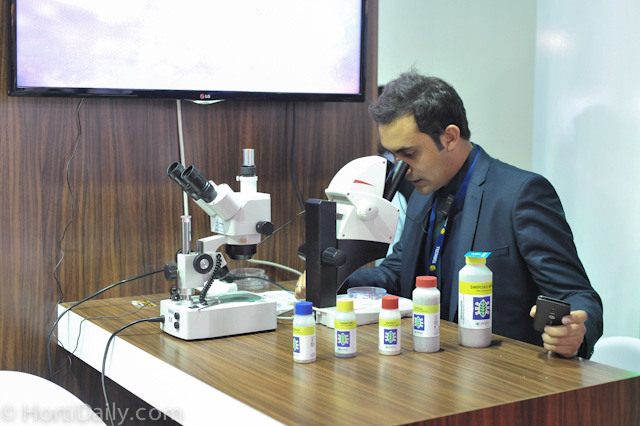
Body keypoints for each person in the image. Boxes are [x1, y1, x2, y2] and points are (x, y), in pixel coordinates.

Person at [297, 69, 603, 359]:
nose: (401, 170)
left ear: (450, 137)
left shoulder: (520, 194)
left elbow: (577, 294)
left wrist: (576, 333)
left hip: (502, 372)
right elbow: (397, 271)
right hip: (432, 365)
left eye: (409, 154)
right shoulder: (422, 193)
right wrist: (333, 280)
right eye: (393, 155)